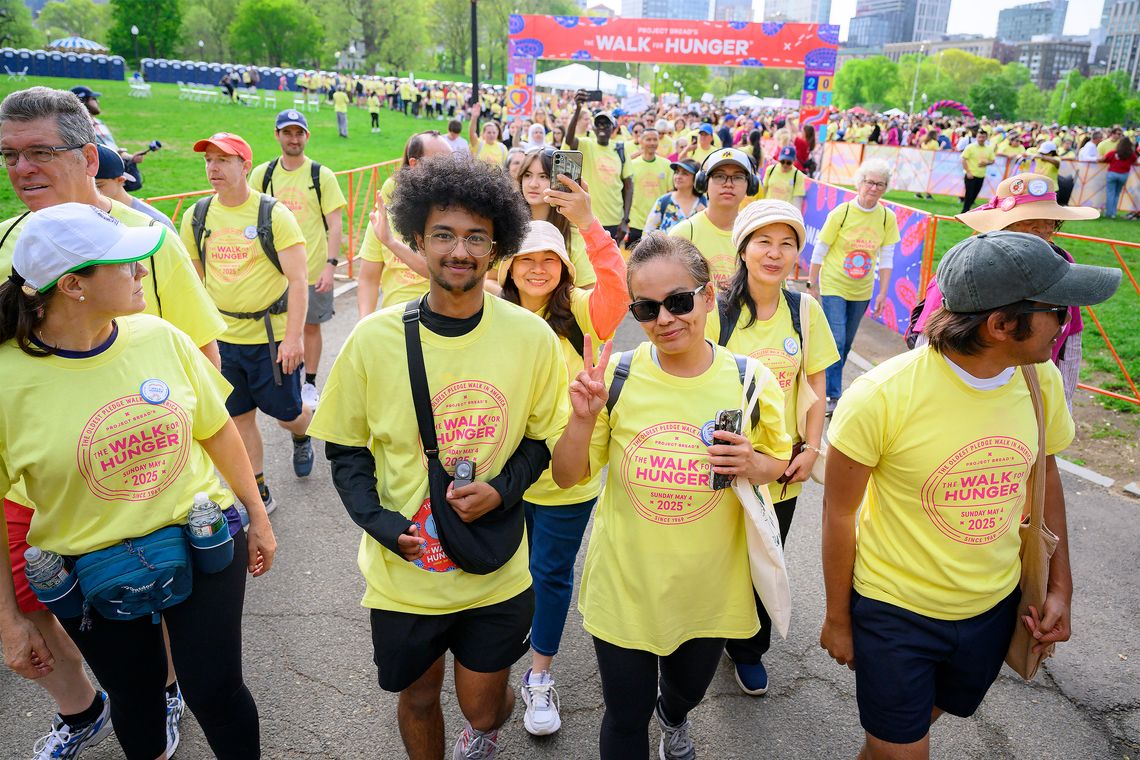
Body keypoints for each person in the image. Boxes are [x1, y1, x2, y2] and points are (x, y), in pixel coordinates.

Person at [821, 231, 1120, 760]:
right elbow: (839, 514)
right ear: (1002, 324)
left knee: (895, 742)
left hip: (992, 610)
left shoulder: (1039, 380)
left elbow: (1045, 484)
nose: (1069, 323)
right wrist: (839, 619)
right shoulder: (881, 397)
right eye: (1059, 309)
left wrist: (1061, 588)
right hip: (896, 614)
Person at [309, 155, 569, 760]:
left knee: (484, 706)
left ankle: (485, 730)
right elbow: (345, 449)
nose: (460, 250)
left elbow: (540, 440)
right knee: (420, 699)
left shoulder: (530, 338)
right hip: (407, 573)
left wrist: (502, 490)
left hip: (496, 565)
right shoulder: (373, 338)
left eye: (476, 237)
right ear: (417, 240)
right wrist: (380, 524)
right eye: (444, 235)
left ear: (496, 245)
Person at [0, 203, 279, 760]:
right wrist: (8, 621)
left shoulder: (157, 336)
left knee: (217, 691)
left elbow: (217, 429)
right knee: (137, 698)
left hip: (205, 542)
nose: (142, 271)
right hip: (89, 574)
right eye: (127, 262)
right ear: (73, 283)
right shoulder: (7, 379)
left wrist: (258, 515)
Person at [0, 86, 226, 759]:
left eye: (40, 152)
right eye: (9, 155)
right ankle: (86, 708)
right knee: (34, 613)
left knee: (149, 592)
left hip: (145, 476)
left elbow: (203, 359)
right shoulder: (7, 242)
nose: (22, 169)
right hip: (41, 485)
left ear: (87, 153)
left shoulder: (147, 238)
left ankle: (158, 692)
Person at [550, 232, 791, 759]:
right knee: (624, 715)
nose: (665, 319)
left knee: (685, 692)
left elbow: (780, 462)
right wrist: (581, 420)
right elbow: (567, 476)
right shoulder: (617, 376)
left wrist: (755, 463)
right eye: (647, 308)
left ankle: (675, 716)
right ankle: (653, 719)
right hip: (625, 586)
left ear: (709, 297)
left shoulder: (750, 381)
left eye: (680, 301)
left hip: (709, 587)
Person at [495, 186, 628, 737]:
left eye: (550, 258)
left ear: (565, 267)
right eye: (526, 258)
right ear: (508, 266)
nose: (537, 268)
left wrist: (590, 222)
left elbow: (616, 287)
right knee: (501, 574)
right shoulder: (488, 311)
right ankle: (489, 668)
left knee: (549, 574)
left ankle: (539, 676)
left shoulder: (579, 310)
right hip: (499, 472)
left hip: (568, 476)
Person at [706, 201, 839, 696]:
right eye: (764, 241)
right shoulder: (716, 310)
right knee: (717, 555)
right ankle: (705, 636)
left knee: (765, 554)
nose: (775, 253)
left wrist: (811, 446)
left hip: (781, 467)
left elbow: (816, 382)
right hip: (722, 462)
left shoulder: (805, 310)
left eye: (787, 244)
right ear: (742, 249)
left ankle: (748, 650)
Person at [180, 132, 312, 514]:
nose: (213, 168)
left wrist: (293, 338)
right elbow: (196, 284)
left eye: (223, 160)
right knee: (238, 416)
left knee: (288, 415)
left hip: (272, 341)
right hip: (224, 340)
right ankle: (259, 490)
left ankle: (303, 435)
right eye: (208, 160)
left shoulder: (272, 214)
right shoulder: (197, 216)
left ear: (244, 166)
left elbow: (299, 280)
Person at [913, 172, 1100, 406]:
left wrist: (1063, 405)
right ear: (1002, 224)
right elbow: (930, 337)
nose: (1043, 228)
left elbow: (1071, 337)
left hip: (1032, 397)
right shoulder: (969, 264)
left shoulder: (1062, 262)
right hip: (965, 397)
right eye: (1030, 222)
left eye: (1049, 220)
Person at [250, 110, 348, 410]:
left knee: (310, 327)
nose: (293, 138)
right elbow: (249, 218)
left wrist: (331, 266)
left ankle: (310, 382)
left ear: (307, 136)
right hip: (274, 273)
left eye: (299, 133)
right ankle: (283, 378)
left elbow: (335, 225)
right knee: (278, 328)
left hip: (313, 268)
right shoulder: (262, 174)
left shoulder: (321, 175)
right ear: (277, 135)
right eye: (287, 132)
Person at [810, 158, 899, 412]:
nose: (873, 188)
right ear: (860, 183)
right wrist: (812, 283)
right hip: (834, 284)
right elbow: (821, 249)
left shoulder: (886, 218)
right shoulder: (842, 213)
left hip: (862, 290)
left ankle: (829, 384)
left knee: (847, 342)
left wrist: (882, 292)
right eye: (869, 182)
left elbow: (887, 257)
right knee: (836, 340)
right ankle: (832, 394)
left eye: (880, 184)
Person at [357, 131, 452, 317]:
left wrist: (391, 242)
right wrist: (364, 323)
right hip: (396, 326)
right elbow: (368, 279)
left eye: (449, 163)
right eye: (437, 163)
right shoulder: (385, 217)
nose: (447, 171)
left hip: (444, 324)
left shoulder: (457, 218)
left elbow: (440, 274)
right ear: (414, 165)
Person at [669, 148, 754, 290]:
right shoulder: (683, 234)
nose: (728, 184)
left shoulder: (755, 234)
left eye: (738, 177)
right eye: (719, 176)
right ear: (703, 183)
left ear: (750, 185)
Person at [515, 146, 597, 288]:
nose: (533, 184)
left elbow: (588, 289)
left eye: (544, 176)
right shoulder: (509, 227)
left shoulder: (574, 234)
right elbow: (490, 281)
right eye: (527, 175)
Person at [566, 90, 634, 245]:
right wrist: (577, 109)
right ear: (594, 128)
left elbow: (629, 187)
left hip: (614, 220)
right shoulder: (586, 144)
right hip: (588, 218)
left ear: (614, 127)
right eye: (598, 123)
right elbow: (569, 139)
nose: (602, 127)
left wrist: (625, 220)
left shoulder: (620, 149)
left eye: (606, 123)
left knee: (609, 263)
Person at [93, 144, 175, 230]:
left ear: (121, 180)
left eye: (98, 185)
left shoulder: (156, 224)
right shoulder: (82, 214)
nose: (90, 191)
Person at [622, 127, 672, 250]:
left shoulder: (667, 164)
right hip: (635, 222)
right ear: (641, 141)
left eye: (655, 139)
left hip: (657, 222)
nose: (652, 143)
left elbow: (670, 193)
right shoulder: (632, 165)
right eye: (648, 139)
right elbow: (625, 193)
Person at [644, 158, 706, 235]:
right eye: (676, 172)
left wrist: (705, 216)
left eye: (684, 173)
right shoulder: (663, 201)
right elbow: (648, 232)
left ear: (696, 178)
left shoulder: (704, 204)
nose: (678, 177)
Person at [1099, 136, 1137, 219]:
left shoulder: (1113, 153)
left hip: (1112, 174)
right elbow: (1135, 161)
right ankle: (1113, 213)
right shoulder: (1131, 155)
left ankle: (1109, 213)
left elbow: (1104, 159)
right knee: (1116, 194)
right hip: (1123, 175)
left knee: (1110, 194)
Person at [961, 130, 995, 213]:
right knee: (969, 194)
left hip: (981, 175)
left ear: (986, 138)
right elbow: (963, 159)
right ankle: (964, 212)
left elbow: (992, 160)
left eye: (983, 137)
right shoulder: (970, 147)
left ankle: (969, 211)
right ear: (976, 137)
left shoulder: (989, 149)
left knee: (974, 195)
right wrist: (968, 171)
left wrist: (987, 163)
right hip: (971, 174)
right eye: (979, 137)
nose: (981, 139)